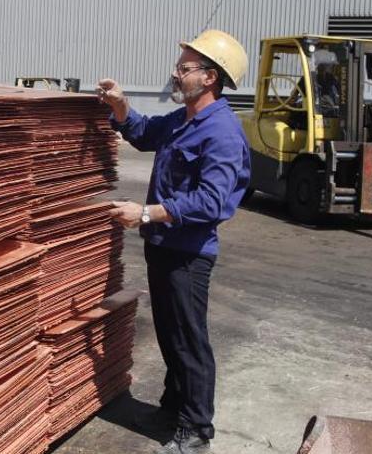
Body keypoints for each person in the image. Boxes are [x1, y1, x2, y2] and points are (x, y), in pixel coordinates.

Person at [96, 29, 251, 454]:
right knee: (169, 332)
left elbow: (212, 201)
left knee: (188, 338)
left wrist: (145, 212)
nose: (175, 73)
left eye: (184, 68)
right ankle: (172, 409)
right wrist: (120, 104)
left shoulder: (220, 131)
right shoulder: (183, 120)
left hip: (188, 254)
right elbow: (144, 132)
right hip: (163, 245)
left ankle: (197, 428)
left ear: (210, 78)